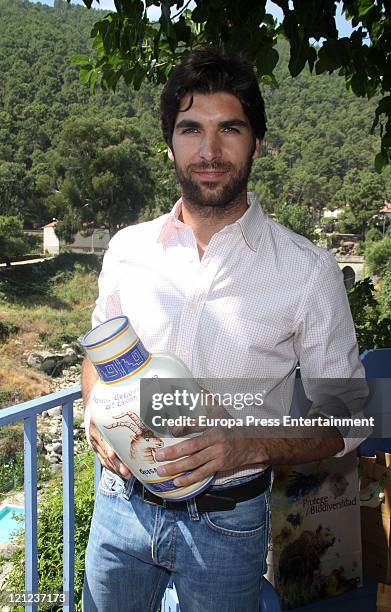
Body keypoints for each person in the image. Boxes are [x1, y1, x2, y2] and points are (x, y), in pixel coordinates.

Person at [81, 47, 368, 612]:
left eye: (229, 129)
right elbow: (100, 353)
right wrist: (94, 414)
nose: (208, 151)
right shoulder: (127, 249)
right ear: (170, 146)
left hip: (228, 524)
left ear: (257, 143)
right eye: (191, 130)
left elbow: (352, 415)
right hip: (117, 507)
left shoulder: (307, 271)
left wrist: (247, 444)